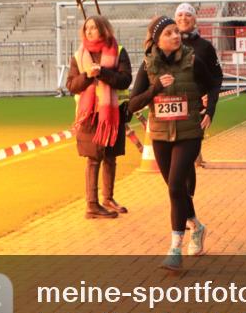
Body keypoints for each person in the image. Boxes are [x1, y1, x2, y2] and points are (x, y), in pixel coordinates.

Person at [128, 16, 221, 270]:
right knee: (175, 188)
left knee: (176, 185)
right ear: (157, 39)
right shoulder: (148, 65)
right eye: (169, 33)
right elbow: (133, 104)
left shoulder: (193, 60)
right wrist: (154, 88)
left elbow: (214, 83)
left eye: (176, 32)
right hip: (160, 135)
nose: (176, 36)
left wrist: (210, 109)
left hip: (189, 131)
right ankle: (197, 227)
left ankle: (174, 248)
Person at [67, 16, 133, 220]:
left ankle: (108, 198)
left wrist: (102, 72)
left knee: (110, 156)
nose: (89, 31)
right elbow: (71, 85)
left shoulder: (118, 51)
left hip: (112, 115)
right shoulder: (79, 56)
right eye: (86, 28)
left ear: (103, 30)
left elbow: (124, 80)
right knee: (93, 158)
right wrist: (87, 75)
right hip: (90, 116)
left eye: (94, 28)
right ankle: (92, 205)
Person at [173, 3, 222, 198]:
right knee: (176, 165)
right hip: (171, 112)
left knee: (186, 160)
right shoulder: (165, 45)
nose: (184, 18)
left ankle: (187, 205)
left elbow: (216, 80)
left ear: (195, 20)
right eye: (180, 15)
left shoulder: (205, 47)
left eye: (188, 15)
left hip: (195, 111)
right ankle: (182, 204)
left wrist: (210, 108)